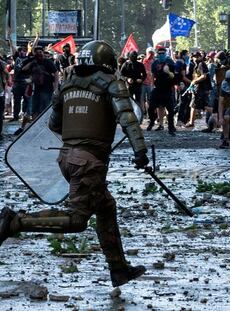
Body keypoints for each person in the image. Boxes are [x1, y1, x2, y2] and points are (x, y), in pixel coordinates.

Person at [0, 40, 150, 287]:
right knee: (77, 221)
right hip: (89, 163)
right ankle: (14, 222)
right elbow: (128, 120)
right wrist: (140, 152)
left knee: (105, 208)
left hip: (67, 158)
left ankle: (119, 270)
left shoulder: (67, 86)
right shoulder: (112, 84)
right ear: (107, 63)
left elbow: (53, 125)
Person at [147, 47, 177, 135]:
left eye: (163, 53)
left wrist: (168, 72)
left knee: (170, 109)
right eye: (159, 53)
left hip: (168, 88)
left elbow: (174, 76)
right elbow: (152, 75)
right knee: (152, 107)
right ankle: (153, 121)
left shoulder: (170, 62)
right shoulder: (155, 63)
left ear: (165, 53)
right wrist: (152, 85)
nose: (161, 55)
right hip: (158, 88)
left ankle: (171, 128)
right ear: (157, 54)